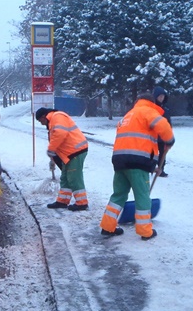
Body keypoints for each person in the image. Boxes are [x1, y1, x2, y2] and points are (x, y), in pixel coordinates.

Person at [99, 92, 174, 240]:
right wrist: (169, 140)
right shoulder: (148, 111)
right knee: (142, 196)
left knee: (118, 194)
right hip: (138, 161)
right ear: (151, 102)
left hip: (119, 160)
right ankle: (145, 231)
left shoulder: (128, 115)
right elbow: (163, 125)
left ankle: (107, 227)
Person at [35, 107, 89, 211]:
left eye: (40, 121)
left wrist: (51, 149)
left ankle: (82, 203)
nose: (41, 123)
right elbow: (56, 138)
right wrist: (53, 157)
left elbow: (60, 134)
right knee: (65, 177)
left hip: (76, 151)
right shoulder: (53, 120)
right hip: (68, 153)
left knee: (74, 177)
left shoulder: (57, 116)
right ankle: (62, 201)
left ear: (43, 116)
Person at [152, 86, 172, 177]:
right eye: (159, 96)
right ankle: (151, 168)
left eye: (163, 96)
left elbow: (168, 122)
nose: (161, 98)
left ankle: (161, 169)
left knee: (162, 152)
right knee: (152, 153)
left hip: (162, 136)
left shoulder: (165, 109)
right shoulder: (151, 108)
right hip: (153, 135)